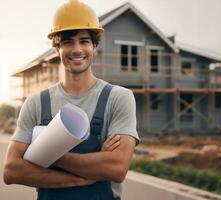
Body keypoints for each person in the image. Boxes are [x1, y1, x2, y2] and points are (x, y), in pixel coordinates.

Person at [3, 0, 139, 199]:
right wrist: (82, 175)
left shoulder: (118, 98)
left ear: (94, 45)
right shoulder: (36, 103)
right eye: (68, 42)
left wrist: (44, 153)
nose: (77, 49)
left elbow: (116, 168)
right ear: (57, 49)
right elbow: (11, 171)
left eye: (84, 41)